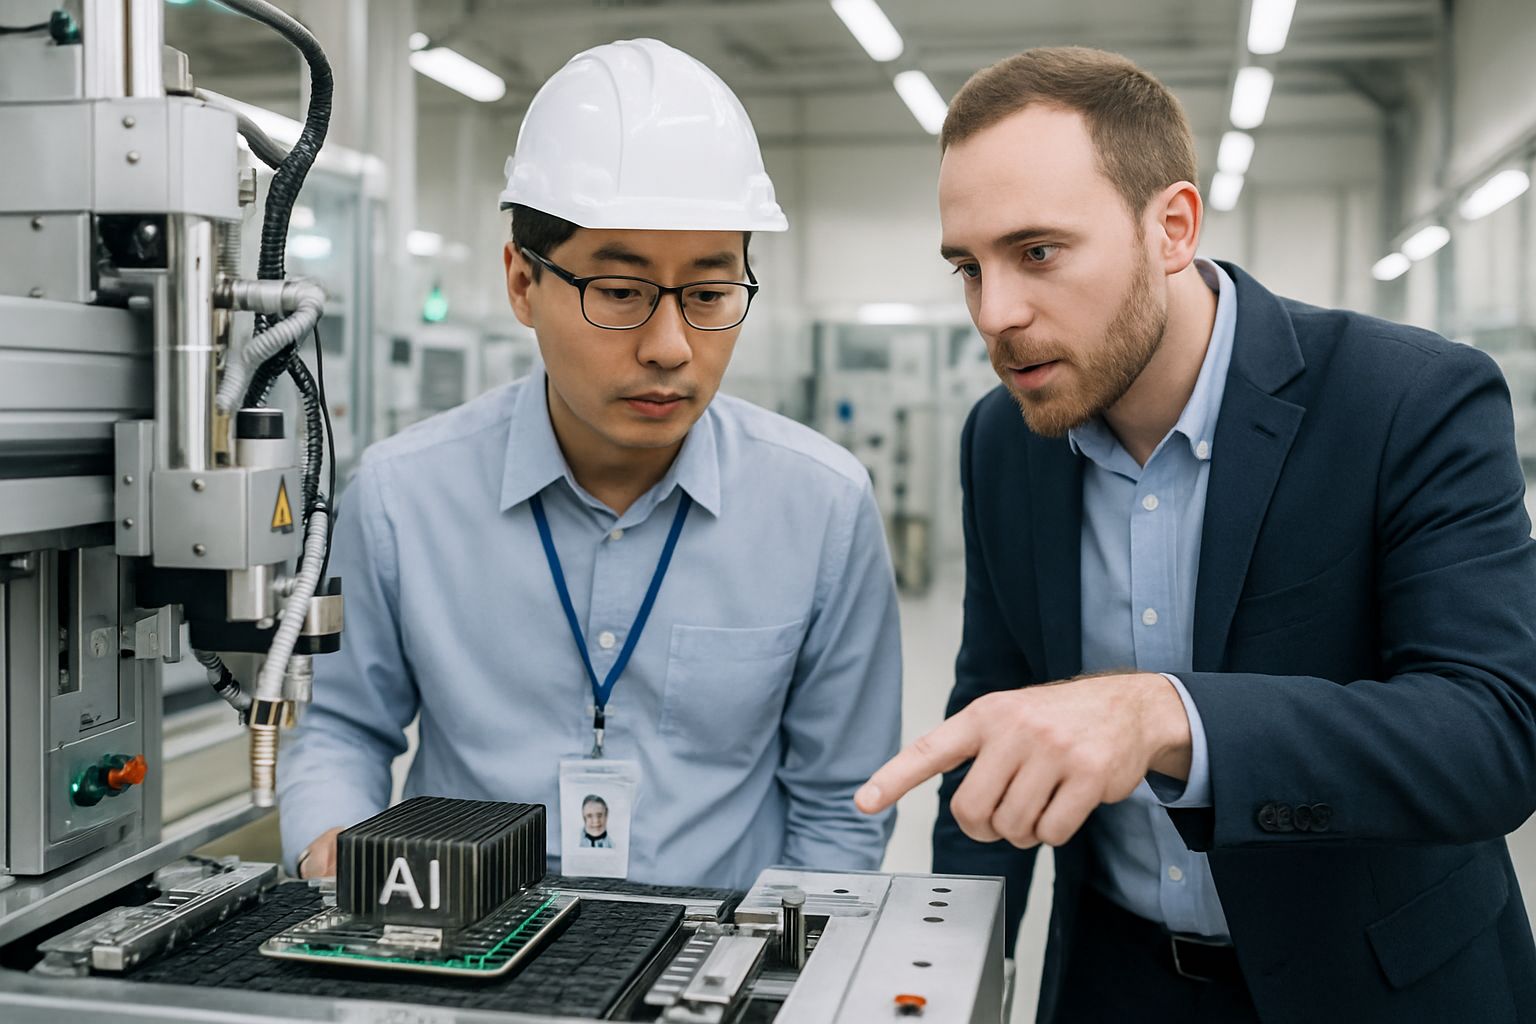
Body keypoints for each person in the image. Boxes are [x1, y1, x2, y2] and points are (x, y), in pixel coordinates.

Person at [855, 45, 1536, 1023]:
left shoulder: (1407, 400)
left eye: (1037, 252)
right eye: (969, 267)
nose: (994, 314)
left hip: (1375, 987)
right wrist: (942, 979)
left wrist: (1165, 716)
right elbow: (991, 716)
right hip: (1115, 983)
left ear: (1171, 228)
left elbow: (1493, 735)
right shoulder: (1005, 439)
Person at [280, 37, 900, 892]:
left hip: (717, 948)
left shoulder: (819, 506)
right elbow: (342, 725)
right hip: (465, 937)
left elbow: (840, 800)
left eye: (709, 295)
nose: (670, 346)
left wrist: (773, 957)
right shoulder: (402, 498)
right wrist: (333, 839)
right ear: (522, 284)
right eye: (620, 293)